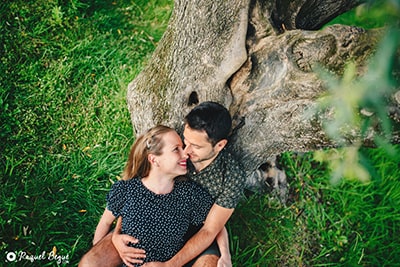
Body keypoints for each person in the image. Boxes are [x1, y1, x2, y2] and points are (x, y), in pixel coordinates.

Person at [115, 101, 246, 267]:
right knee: (93, 261)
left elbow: (210, 229)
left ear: (219, 145)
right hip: (154, 219)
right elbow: (137, 187)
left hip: (200, 232)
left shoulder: (232, 175)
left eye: (196, 146)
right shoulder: (174, 143)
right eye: (186, 141)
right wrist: (116, 234)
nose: (185, 151)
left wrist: (169, 265)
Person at [79, 125, 231, 267]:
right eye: (176, 149)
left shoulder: (188, 193)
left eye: (182, 148)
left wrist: (225, 254)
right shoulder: (126, 189)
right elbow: (105, 223)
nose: (185, 153)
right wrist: (104, 247)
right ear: (154, 159)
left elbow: (216, 225)